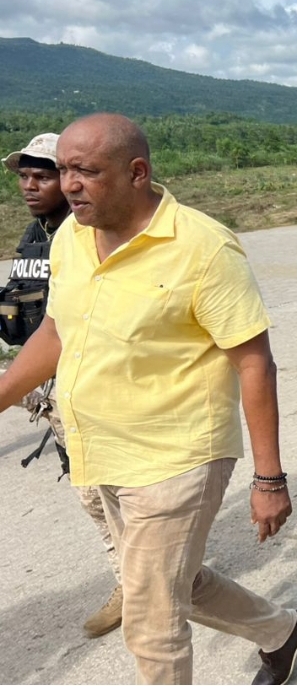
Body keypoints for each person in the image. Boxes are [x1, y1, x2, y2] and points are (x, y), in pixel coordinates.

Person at [0, 115, 297, 684]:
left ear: (137, 173)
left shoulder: (203, 248)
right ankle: (282, 631)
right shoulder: (72, 237)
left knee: (150, 620)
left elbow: (254, 363)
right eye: (63, 169)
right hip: (103, 449)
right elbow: (57, 329)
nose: (69, 184)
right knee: (173, 582)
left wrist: (269, 479)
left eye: (85, 171)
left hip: (176, 457)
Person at [1, 133, 124, 639]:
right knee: (90, 492)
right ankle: (133, 578)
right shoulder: (36, 236)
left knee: (116, 489)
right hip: (52, 389)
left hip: (93, 387)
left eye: (42, 176)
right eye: (24, 176)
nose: (30, 186)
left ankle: (148, 580)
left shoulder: (91, 235)